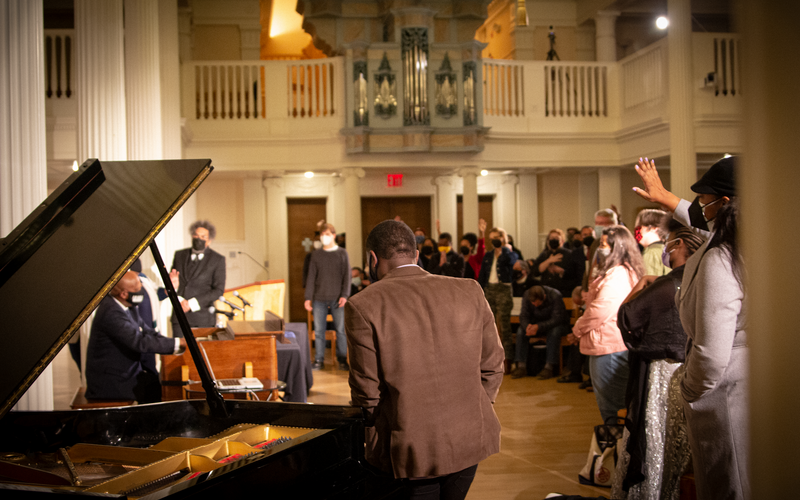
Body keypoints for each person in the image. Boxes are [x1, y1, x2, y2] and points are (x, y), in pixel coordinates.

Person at [346, 220, 503, 499]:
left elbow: (366, 391)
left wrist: (374, 432)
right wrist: (475, 405)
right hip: (469, 435)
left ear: (372, 258)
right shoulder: (470, 289)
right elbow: (493, 364)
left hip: (409, 445)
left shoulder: (363, 304)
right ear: (416, 255)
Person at [633, 155, 748, 499]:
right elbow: (702, 222)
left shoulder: (721, 258)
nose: (700, 205)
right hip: (747, 385)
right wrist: (666, 197)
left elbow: (711, 353)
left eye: (704, 198)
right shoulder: (761, 243)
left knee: (729, 484)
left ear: (724, 203)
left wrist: (690, 388)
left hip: (724, 391)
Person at [612, 220, 705, 498]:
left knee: (656, 435)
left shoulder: (667, 284)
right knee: (679, 438)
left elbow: (627, 315)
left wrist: (641, 283)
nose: (667, 249)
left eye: (670, 243)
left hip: (663, 370)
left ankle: (653, 491)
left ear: (681, 245)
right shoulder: (700, 279)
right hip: (692, 367)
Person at [567, 225, 644, 423]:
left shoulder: (618, 274)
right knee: (613, 404)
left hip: (609, 347)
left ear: (617, 247)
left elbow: (600, 311)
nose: (600, 249)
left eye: (604, 245)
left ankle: (614, 449)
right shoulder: (616, 271)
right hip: (607, 343)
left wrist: (577, 330)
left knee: (613, 406)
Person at [86, 271, 182, 402]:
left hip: (126, 373)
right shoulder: (110, 312)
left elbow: (148, 332)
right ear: (124, 293)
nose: (141, 291)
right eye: (137, 289)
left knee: (165, 387)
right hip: (111, 382)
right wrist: (178, 344)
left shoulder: (128, 305)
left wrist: (177, 343)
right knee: (160, 395)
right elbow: (139, 342)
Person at [304, 222, 351, 371]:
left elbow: (347, 276)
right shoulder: (316, 254)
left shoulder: (342, 253)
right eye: (322, 234)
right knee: (319, 331)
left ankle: (342, 359)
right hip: (319, 298)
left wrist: (345, 295)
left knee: (341, 330)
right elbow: (311, 277)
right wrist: (308, 297)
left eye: (327, 234)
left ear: (334, 235)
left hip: (338, 298)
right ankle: (319, 359)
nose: (324, 237)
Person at [169, 220, 226, 336]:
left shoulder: (217, 260)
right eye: (196, 235)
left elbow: (218, 290)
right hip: (179, 316)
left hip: (202, 318)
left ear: (209, 240)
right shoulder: (179, 255)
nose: (198, 238)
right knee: (179, 353)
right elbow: (173, 282)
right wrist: (180, 301)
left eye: (203, 236)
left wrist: (191, 303)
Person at [478, 227, 518, 371]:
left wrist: (505, 249)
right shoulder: (488, 256)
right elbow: (482, 275)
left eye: (497, 237)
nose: (494, 240)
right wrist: (479, 291)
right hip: (490, 289)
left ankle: (508, 361)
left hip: (504, 290)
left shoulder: (510, 253)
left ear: (503, 238)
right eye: (492, 238)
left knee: (505, 326)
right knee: (489, 327)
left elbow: (513, 263)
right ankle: (491, 361)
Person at [511, 285, 568, 379]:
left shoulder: (555, 295)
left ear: (544, 297)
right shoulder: (526, 295)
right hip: (536, 326)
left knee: (554, 332)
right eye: (532, 303)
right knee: (521, 331)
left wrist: (539, 327)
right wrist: (527, 327)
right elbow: (523, 316)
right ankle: (521, 366)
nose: (534, 305)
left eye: (537, 303)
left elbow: (557, 319)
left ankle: (549, 367)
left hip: (555, 326)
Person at [532, 229, 583, 297]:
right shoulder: (544, 255)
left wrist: (561, 271)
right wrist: (548, 261)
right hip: (546, 292)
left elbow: (575, 274)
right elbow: (535, 272)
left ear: (562, 241)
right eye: (551, 238)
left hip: (563, 292)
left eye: (556, 238)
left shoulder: (570, 254)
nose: (553, 240)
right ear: (548, 241)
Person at [634, 208, 671, 276]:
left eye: (641, 227)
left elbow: (648, 283)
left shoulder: (652, 253)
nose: (639, 231)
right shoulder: (667, 250)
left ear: (654, 228)